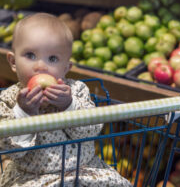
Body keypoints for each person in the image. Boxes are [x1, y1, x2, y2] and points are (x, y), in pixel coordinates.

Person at [0, 13, 132, 187]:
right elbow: (11, 150)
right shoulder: (8, 99)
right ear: (13, 61)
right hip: (34, 178)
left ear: (66, 68)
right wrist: (24, 112)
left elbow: (91, 129)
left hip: (84, 172)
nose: (41, 66)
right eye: (30, 55)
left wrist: (69, 105)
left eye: (52, 59)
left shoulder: (76, 90)